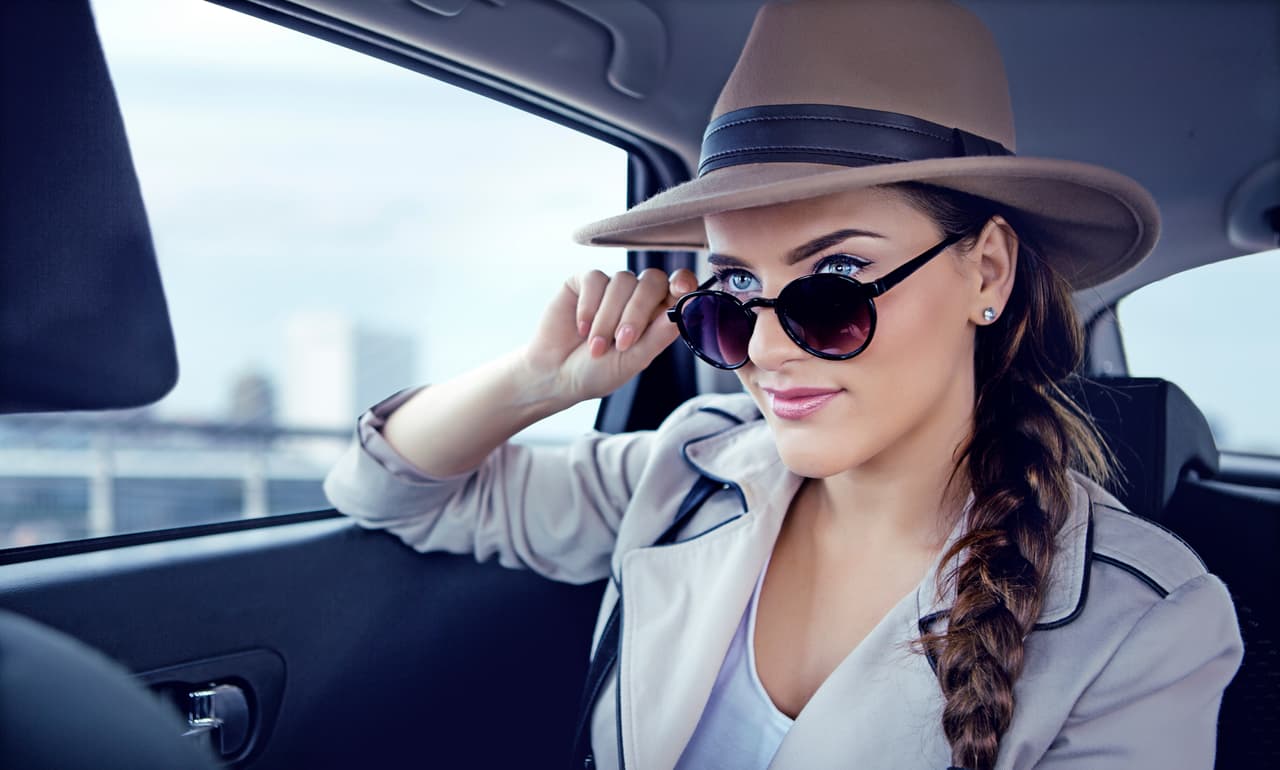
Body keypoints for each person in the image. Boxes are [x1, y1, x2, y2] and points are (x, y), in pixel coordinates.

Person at [323, 1, 1243, 768]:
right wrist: (539, 382)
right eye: (732, 295)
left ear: (988, 273)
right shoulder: (687, 470)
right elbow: (386, 489)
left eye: (832, 287)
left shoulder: (1145, 623)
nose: (764, 347)